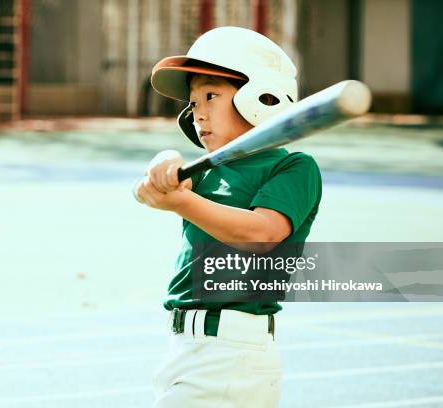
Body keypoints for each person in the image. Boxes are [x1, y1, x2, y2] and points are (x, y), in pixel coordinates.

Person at [134, 26, 322, 407]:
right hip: (184, 349)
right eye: (193, 102)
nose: (197, 113)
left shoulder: (293, 168)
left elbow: (261, 235)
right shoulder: (205, 170)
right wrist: (164, 163)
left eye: (211, 96)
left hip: (232, 353)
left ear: (261, 96)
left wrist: (180, 203)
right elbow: (160, 185)